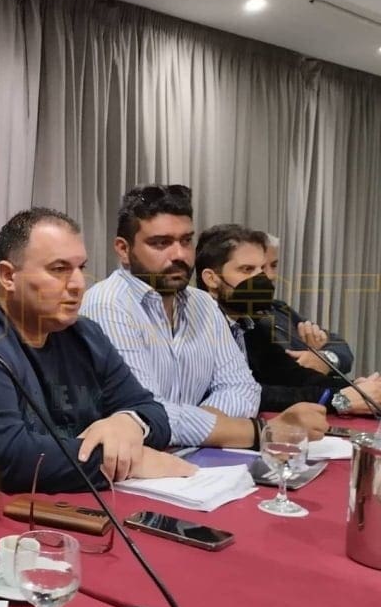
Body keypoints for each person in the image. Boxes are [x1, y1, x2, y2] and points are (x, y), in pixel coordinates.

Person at [0, 207, 192, 493]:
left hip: (67, 503)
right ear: (8, 276)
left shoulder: (85, 333)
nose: (78, 284)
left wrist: (128, 423)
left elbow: (153, 412)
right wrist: (126, 462)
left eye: (81, 268)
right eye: (59, 269)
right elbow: (4, 457)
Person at [80, 185, 327, 447]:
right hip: (131, 465)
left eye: (186, 241)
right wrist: (259, 432)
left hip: (198, 457)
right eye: (161, 243)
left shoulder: (203, 304)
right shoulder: (108, 304)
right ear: (123, 249)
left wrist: (206, 427)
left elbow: (243, 388)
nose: (179, 255)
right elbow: (145, 413)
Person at [195, 224, 381, 417]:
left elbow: (291, 375)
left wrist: (358, 390)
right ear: (211, 279)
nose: (262, 278)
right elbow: (249, 393)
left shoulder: (251, 323)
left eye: (262, 269)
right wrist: (339, 399)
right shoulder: (197, 327)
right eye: (247, 269)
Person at [262, 233, 355, 375]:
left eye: (274, 265)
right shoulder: (233, 323)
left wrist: (324, 359)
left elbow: (339, 345)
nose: (270, 275)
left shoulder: (278, 308)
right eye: (261, 267)